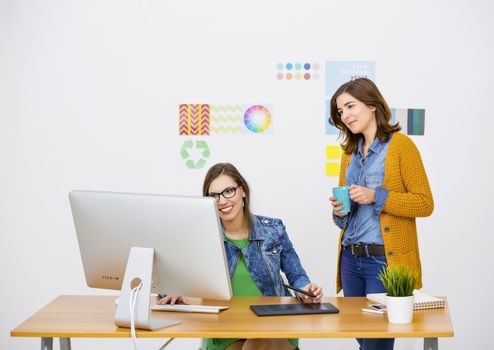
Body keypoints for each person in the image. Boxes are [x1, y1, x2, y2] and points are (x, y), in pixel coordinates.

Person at [160, 162, 323, 350]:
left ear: (242, 190)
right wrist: (173, 289)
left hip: (272, 325)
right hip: (224, 329)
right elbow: (171, 278)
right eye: (214, 196)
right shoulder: (202, 236)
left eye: (229, 191)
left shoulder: (273, 229)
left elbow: (297, 276)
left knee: (255, 346)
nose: (222, 201)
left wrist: (306, 291)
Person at [328, 78, 434, 350]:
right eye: (341, 111)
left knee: (376, 344)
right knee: (362, 337)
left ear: (373, 105)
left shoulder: (401, 146)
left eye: (351, 106)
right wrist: (339, 211)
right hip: (350, 259)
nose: (346, 115)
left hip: (384, 262)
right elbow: (344, 216)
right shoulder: (348, 152)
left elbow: (424, 203)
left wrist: (377, 196)